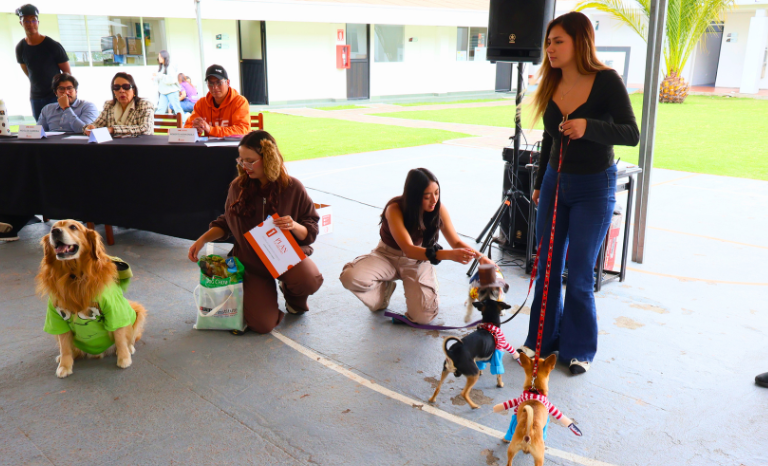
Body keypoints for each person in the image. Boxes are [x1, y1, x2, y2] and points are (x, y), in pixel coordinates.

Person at [519, 12, 639, 375]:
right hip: (556, 182)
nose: (550, 49)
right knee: (547, 268)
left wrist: (589, 126)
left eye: (559, 41)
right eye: (549, 42)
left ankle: (578, 350)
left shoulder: (606, 81)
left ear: (580, 42)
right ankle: (540, 342)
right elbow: (551, 140)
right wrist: (540, 183)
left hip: (594, 187)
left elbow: (630, 133)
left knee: (581, 273)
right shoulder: (550, 84)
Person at [188, 131, 324, 334]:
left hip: (284, 257)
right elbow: (226, 221)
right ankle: (258, 293)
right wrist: (202, 240)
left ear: (268, 158)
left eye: (251, 161)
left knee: (309, 279)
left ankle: (292, 296)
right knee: (262, 325)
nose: (244, 166)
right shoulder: (238, 186)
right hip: (251, 263)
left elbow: (311, 227)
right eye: (241, 160)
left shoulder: (293, 187)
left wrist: (294, 225)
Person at [340, 168, 495, 325]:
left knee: (422, 318)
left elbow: (455, 242)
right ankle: (383, 292)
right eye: (427, 196)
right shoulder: (394, 208)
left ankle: (427, 282)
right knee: (350, 277)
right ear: (413, 197)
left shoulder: (438, 209)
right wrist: (447, 255)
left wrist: (482, 258)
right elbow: (408, 248)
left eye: (437, 193)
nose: (434, 200)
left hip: (419, 259)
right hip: (386, 256)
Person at [14, 4, 71, 121]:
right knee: (40, 131)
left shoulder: (52, 45)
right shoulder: (20, 47)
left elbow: (67, 73)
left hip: (55, 96)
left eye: (33, 20)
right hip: (36, 97)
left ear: (38, 22)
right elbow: (28, 72)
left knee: (59, 127)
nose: (30, 24)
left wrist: (64, 94)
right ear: (21, 23)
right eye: (26, 21)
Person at [184, 64, 250, 137]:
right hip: (208, 147)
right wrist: (195, 129)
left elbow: (242, 130)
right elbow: (187, 128)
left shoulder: (240, 102)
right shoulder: (201, 104)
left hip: (233, 147)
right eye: (211, 83)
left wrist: (211, 129)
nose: (215, 87)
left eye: (219, 82)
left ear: (228, 82)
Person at [84, 72, 153, 137]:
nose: (121, 90)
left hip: (138, 146)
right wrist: (90, 128)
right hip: (113, 146)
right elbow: (97, 124)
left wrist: (113, 130)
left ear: (134, 90)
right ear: (114, 91)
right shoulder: (109, 105)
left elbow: (145, 128)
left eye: (126, 87)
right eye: (116, 87)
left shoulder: (144, 105)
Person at [152, 50, 183, 115]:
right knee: (160, 110)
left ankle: (184, 124)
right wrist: (155, 78)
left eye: (160, 56)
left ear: (164, 57)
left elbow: (171, 79)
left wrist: (158, 75)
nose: (159, 58)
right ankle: (155, 125)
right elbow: (161, 79)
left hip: (172, 91)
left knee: (177, 109)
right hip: (163, 92)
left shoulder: (170, 66)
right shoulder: (161, 67)